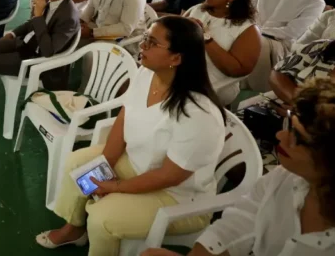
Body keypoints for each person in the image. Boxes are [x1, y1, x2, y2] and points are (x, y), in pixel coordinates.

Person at [38, 16, 226, 253]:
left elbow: (170, 176)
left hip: (179, 196)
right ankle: (74, 228)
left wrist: (115, 186)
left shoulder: (197, 113)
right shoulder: (146, 74)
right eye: (145, 38)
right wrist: (104, 164)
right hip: (138, 164)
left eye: (152, 43)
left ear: (176, 58)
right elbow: (124, 117)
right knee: (78, 165)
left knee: (101, 217)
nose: (142, 46)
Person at [143, 77, 335, 256]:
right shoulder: (285, 178)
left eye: (297, 136)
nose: (280, 136)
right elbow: (241, 219)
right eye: (289, 123)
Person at [245, 0, 325, 92]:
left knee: (259, 44)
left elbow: (291, 33)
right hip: (250, 34)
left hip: (281, 45)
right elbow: (246, 15)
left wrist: (254, 32)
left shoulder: (314, 2)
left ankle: (256, 92)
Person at [185, 0, 260, 105]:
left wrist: (206, 37)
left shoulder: (246, 29)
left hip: (215, 84)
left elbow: (237, 70)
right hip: (182, 72)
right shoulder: (198, 10)